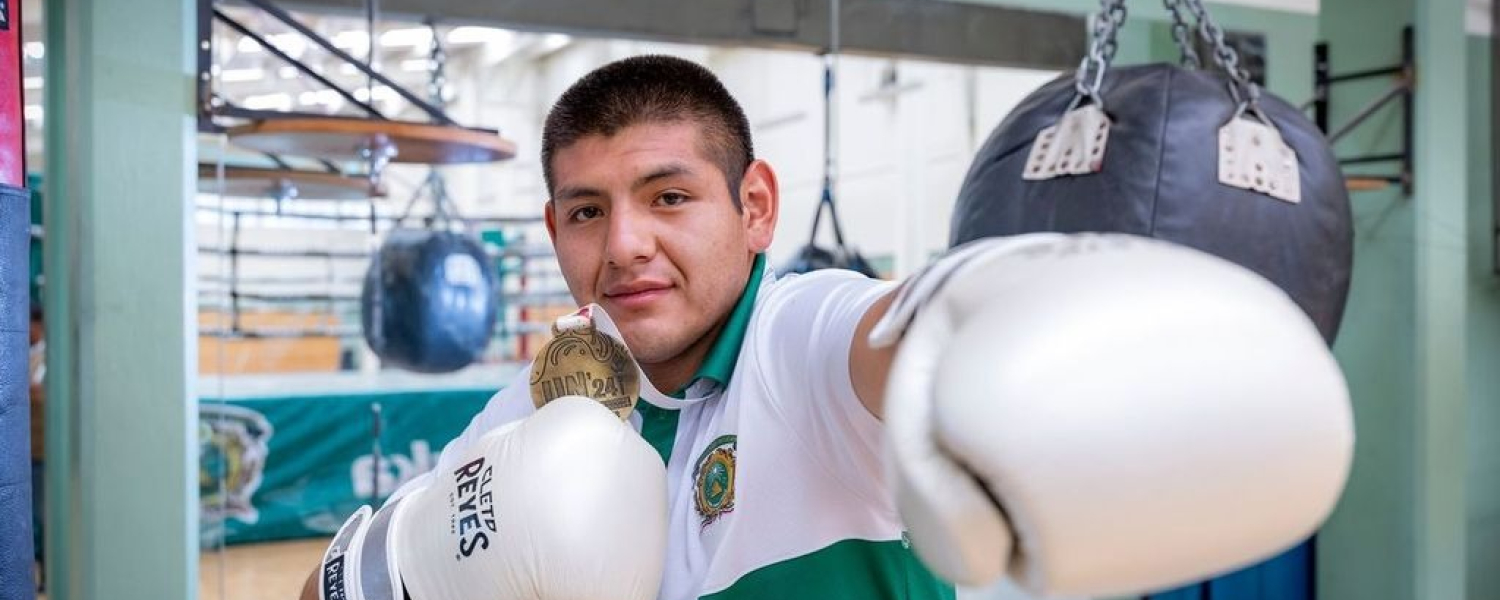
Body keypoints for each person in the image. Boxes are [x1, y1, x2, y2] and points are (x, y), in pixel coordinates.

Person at [300, 55, 1353, 600]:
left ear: (756, 207)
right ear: (555, 231)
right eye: (587, 211)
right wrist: (429, 558)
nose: (623, 246)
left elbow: (892, 337)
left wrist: (996, 318)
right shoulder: (560, 397)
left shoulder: (801, 343)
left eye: (669, 198)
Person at [29, 304, 45, 592]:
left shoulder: (49, 357)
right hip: (26, 453)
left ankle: (46, 576)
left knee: (42, 518)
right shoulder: (24, 355)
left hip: (43, 453)